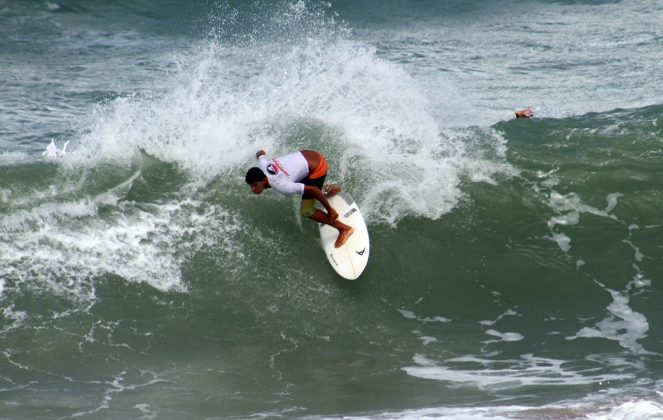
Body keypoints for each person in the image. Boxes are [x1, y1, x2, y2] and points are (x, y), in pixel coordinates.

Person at [245, 149, 354, 248]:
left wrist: (330, 210)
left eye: (255, 185)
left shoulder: (282, 186)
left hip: (318, 167)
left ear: (264, 179)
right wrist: (259, 154)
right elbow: (261, 154)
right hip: (309, 155)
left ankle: (344, 229)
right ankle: (329, 189)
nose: (253, 189)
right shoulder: (264, 165)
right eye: (251, 186)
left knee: (306, 210)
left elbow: (313, 190)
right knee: (296, 181)